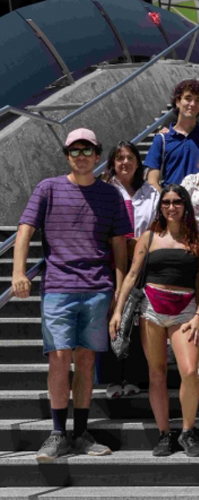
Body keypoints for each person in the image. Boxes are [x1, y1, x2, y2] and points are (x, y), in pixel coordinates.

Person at [14, 128, 130, 461]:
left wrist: (118, 296)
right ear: (67, 155)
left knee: (86, 360)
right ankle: (56, 433)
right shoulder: (48, 188)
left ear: (97, 155)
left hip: (97, 289)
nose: (81, 155)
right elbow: (25, 231)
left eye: (87, 150)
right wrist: (18, 272)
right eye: (74, 150)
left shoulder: (110, 196)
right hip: (58, 288)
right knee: (59, 359)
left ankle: (80, 433)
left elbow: (119, 251)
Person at [109, 184, 199, 458]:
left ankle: (188, 431)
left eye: (177, 201)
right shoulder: (149, 237)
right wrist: (119, 310)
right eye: (166, 202)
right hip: (151, 309)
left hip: (185, 311)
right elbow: (132, 275)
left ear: (186, 205)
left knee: (190, 371)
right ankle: (164, 434)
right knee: (156, 374)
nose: (171, 206)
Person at [100, 141, 159, 398]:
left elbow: (158, 226)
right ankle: (112, 379)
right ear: (112, 162)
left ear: (138, 162)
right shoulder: (103, 191)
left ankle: (135, 376)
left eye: (130, 157)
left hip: (142, 263)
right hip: (108, 263)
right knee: (111, 316)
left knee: (137, 319)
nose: (125, 162)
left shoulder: (151, 192)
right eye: (119, 157)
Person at [146, 79, 199, 189]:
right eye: (188, 98)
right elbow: (152, 180)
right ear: (177, 102)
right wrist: (166, 200)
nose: (193, 104)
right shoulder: (162, 140)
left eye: (198, 100)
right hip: (171, 202)